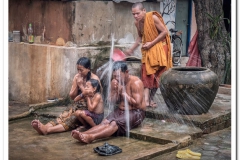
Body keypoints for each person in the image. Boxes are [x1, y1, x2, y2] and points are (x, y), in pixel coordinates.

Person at [71, 61, 146, 144]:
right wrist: (114, 91)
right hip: (120, 110)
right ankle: (83, 134)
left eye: (118, 76)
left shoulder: (136, 82)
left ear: (126, 72)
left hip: (136, 112)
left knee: (114, 123)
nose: (116, 78)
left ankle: (92, 137)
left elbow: (138, 104)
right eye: (114, 76)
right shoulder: (115, 81)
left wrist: (123, 93)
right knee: (104, 122)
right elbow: (111, 101)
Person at [31, 57, 102, 135]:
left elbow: (94, 98)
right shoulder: (77, 77)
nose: (79, 72)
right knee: (63, 115)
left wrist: (81, 85)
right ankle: (45, 126)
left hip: (87, 108)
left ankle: (48, 130)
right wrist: (76, 84)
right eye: (78, 70)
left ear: (88, 69)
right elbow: (72, 97)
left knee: (71, 119)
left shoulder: (95, 80)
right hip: (78, 104)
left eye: (81, 70)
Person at [125, 2, 172, 107]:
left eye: (137, 13)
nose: (135, 16)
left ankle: (149, 99)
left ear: (144, 11)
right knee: (147, 73)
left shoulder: (153, 17)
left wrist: (151, 43)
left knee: (158, 75)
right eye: (133, 14)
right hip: (148, 49)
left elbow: (164, 32)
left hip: (160, 48)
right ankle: (146, 100)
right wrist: (131, 49)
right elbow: (140, 37)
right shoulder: (137, 23)